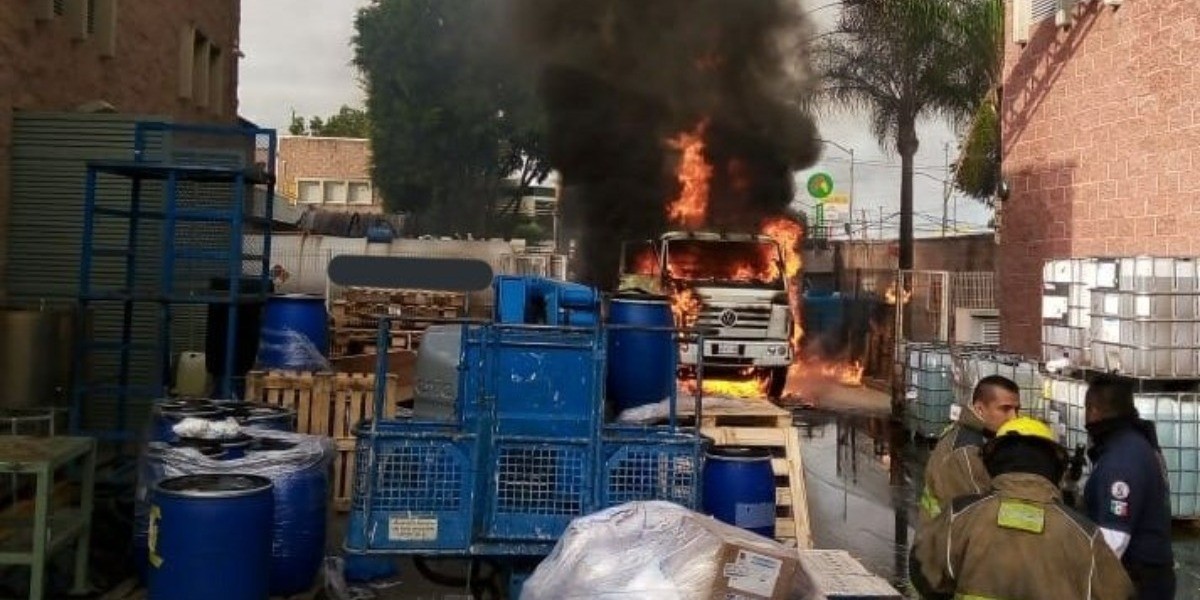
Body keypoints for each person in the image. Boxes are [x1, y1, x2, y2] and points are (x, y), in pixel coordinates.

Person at [910, 417, 1135, 600]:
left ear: (992, 462)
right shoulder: (1085, 537)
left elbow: (923, 573)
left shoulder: (961, 517)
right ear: (1055, 466)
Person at [1084, 377, 1175, 599]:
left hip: (1136, 580)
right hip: (1149, 575)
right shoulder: (1133, 443)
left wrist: (1082, 582)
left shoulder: (1121, 459)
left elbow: (1114, 539)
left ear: (1093, 411)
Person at [918, 375, 1021, 527]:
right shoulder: (968, 451)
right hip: (946, 540)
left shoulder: (970, 433)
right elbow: (981, 514)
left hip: (940, 535)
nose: (1014, 417)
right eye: (1005, 409)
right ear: (979, 409)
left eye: (1016, 409)